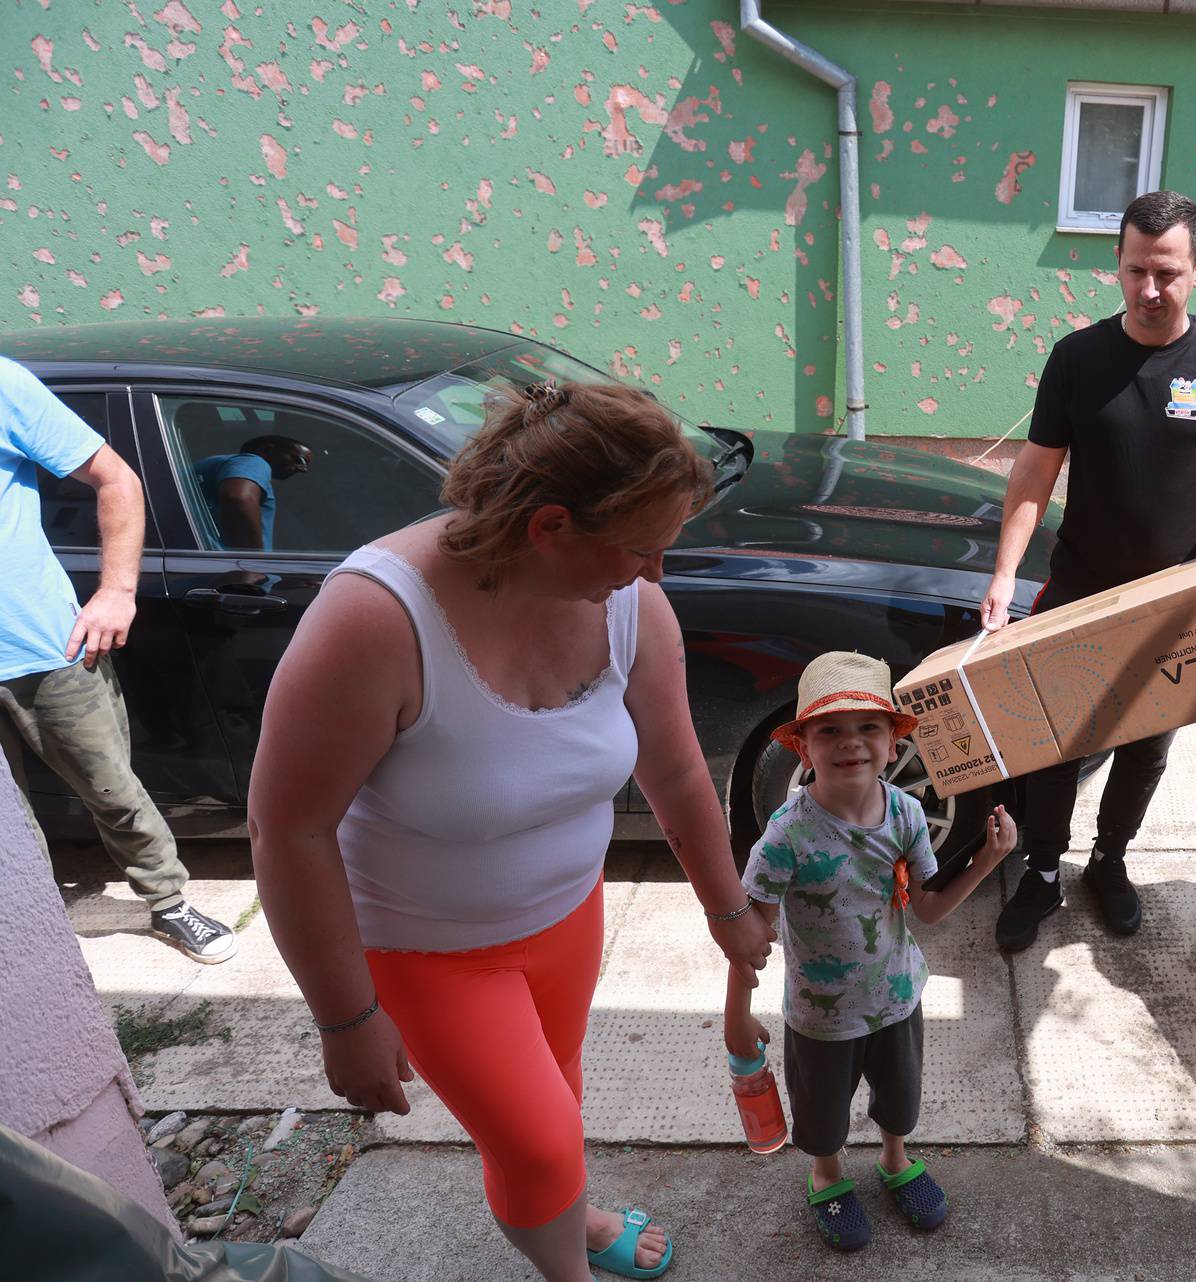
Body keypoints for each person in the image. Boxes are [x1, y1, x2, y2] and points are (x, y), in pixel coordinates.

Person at [248, 380, 777, 1282]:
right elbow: (287, 830)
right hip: (427, 950)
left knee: (553, 1111)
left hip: (566, 919)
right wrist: (346, 1018)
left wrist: (728, 912)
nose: (656, 574)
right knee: (535, 1144)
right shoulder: (378, 619)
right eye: (643, 549)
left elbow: (678, 769)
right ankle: (563, 1268)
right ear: (550, 527)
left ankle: (568, 1216)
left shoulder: (628, 605)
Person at [979, 189, 1196, 951]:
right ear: (1116, 267)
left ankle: (1109, 861)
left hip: (1175, 595)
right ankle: (1044, 871)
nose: (1150, 291)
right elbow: (1033, 478)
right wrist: (1002, 576)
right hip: (1082, 582)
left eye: (1167, 273)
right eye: (1134, 272)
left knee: (1146, 743)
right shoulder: (1079, 359)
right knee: (1058, 741)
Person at [723, 651, 1018, 1252]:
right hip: (821, 1013)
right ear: (803, 746)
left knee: (900, 1100)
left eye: (868, 728)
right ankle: (827, 1176)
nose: (850, 743)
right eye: (829, 729)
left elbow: (928, 909)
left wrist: (987, 861)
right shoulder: (787, 834)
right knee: (823, 1115)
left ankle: (893, 1160)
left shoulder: (907, 813)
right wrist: (736, 1013)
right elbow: (751, 933)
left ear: (892, 742)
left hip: (898, 997)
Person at [0, 356, 235, 963]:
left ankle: (169, 903)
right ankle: (32, 934)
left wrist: (116, 591)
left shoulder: (4, 384)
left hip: (44, 645)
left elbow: (117, 479)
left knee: (112, 788)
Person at [191, 434, 313, 550]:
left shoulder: (218, 465)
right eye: (300, 460)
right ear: (267, 449)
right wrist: (254, 563)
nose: (303, 469)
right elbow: (238, 498)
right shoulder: (253, 462)